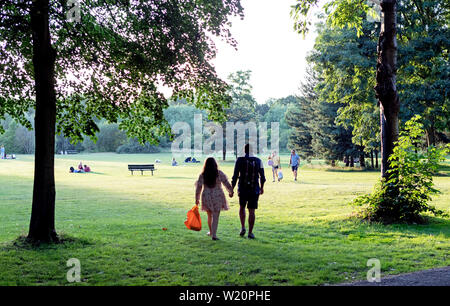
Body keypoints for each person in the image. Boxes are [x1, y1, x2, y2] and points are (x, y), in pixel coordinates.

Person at [232, 144, 265, 239]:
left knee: (242, 207)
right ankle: (250, 232)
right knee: (252, 211)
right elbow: (262, 177)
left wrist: (232, 188)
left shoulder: (239, 160)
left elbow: (235, 176)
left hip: (242, 188)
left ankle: (242, 227)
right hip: (254, 189)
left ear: (244, 150)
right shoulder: (259, 161)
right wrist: (262, 187)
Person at [195, 157, 233, 241]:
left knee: (209, 215)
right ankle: (214, 235)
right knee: (216, 216)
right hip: (217, 195)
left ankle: (211, 232)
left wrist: (197, 199)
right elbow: (226, 183)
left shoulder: (203, 175)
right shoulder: (219, 173)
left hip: (207, 195)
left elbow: (198, 187)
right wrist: (231, 192)